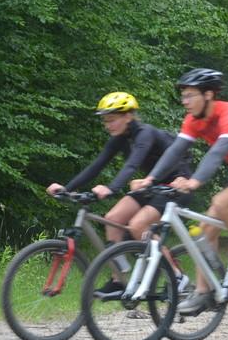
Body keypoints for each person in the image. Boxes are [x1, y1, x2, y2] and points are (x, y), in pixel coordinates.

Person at [132, 68, 228, 313]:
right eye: (183, 96)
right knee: (206, 229)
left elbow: (217, 153)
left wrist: (194, 182)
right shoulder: (193, 120)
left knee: (222, 202)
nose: (184, 101)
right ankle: (204, 293)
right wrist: (150, 179)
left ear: (208, 94)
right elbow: (175, 151)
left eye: (190, 95)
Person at [46, 91, 192, 297]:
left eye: (112, 119)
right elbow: (96, 166)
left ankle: (177, 276)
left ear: (128, 116)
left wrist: (111, 188)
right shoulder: (120, 138)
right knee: (112, 219)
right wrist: (66, 188)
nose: (108, 125)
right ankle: (119, 280)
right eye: (105, 121)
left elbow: (131, 165)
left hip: (176, 184)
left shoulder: (145, 133)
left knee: (138, 225)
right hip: (150, 185)